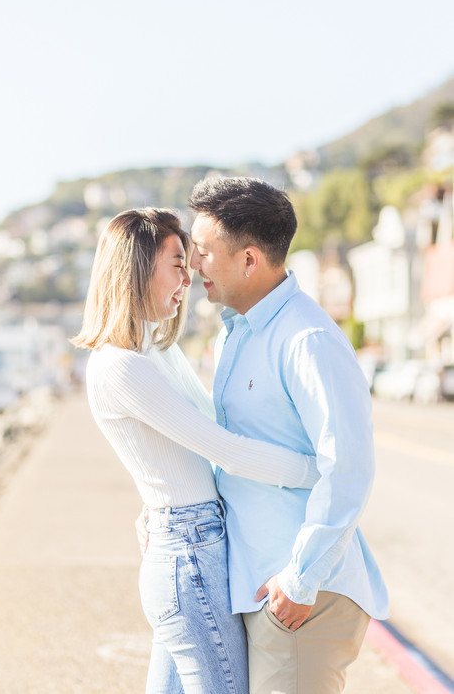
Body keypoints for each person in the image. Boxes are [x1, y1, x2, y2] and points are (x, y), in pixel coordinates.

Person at [72, 208, 319, 694]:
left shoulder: (156, 350)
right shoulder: (119, 365)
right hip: (189, 556)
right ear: (137, 266)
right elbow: (223, 449)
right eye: (177, 263)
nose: (189, 277)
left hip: (192, 546)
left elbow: (194, 436)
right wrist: (317, 472)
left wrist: (152, 505)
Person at [188, 176, 389, 694]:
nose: (194, 264)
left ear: (250, 259)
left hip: (300, 598)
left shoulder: (308, 339)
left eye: (204, 251)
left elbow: (348, 467)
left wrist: (299, 580)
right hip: (261, 588)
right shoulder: (238, 334)